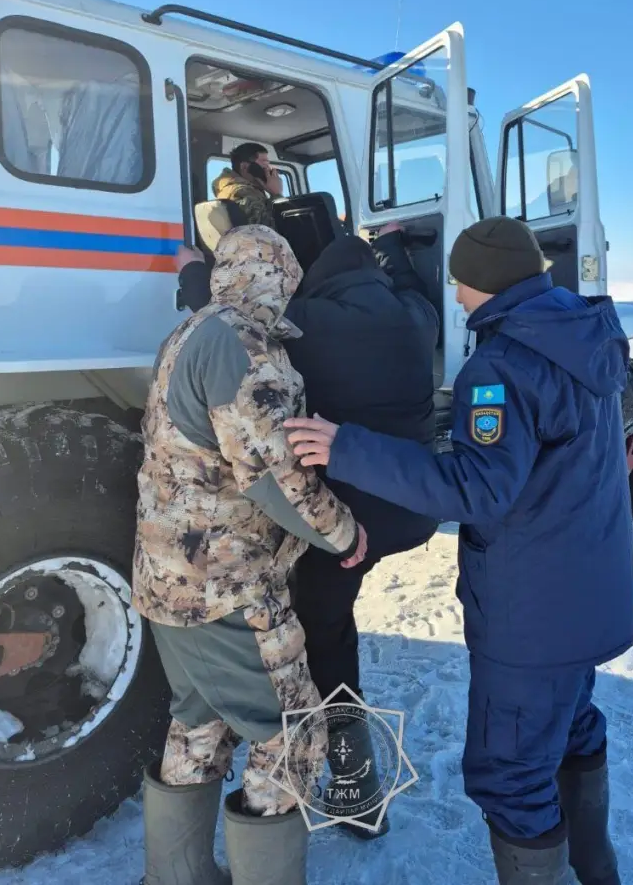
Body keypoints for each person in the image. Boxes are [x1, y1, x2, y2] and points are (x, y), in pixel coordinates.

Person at [285, 217, 633, 885]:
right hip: (587, 596)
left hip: (534, 617)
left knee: (510, 778)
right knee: (572, 730)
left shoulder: (500, 369)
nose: (456, 294)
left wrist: (347, 447)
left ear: (479, 283)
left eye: (460, 281)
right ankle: (598, 870)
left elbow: (477, 491)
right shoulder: (584, 334)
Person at [175, 222, 440, 839]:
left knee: (324, 639)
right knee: (332, 625)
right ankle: (356, 791)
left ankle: (357, 793)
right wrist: (393, 246)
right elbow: (409, 281)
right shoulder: (416, 314)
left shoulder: (305, 325)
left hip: (346, 524)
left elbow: (226, 317)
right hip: (412, 510)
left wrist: (193, 270)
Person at [132, 225, 366, 885]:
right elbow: (278, 479)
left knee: (199, 724)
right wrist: (346, 533)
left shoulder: (183, 335)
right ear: (276, 280)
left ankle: (174, 878)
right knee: (292, 733)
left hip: (164, 584)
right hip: (228, 590)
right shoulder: (243, 342)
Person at [210, 141, 285, 228]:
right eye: (264, 163)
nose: (268, 169)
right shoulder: (243, 193)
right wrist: (276, 194)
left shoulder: (230, 189)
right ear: (244, 167)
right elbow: (268, 231)